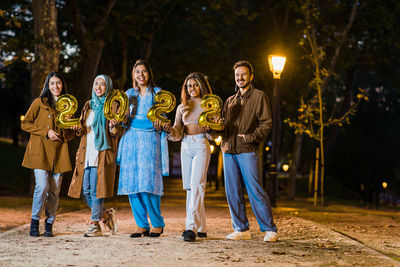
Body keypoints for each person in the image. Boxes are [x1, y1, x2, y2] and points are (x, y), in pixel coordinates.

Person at [221, 61, 277, 242]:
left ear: (251, 76)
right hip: (228, 150)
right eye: (237, 75)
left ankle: (269, 229)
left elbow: (266, 123)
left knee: (255, 190)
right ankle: (241, 229)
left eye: (244, 74)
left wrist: (250, 137)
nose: (240, 78)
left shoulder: (260, 97)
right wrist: (211, 127)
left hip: (248, 150)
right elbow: (222, 128)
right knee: (232, 191)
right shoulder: (230, 101)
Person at [158, 73, 214, 242]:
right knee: (190, 187)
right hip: (185, 145)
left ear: (202, 86)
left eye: (195, 85)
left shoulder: (210, 105)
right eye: (189, 86)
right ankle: (202, 227)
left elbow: (215, 132)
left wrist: (210, 129)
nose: (192, 88)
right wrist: (168, 129)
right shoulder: (182, 107)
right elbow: (176, 132)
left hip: (201, 145)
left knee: (197, 184)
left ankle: (190, 227)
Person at [117, 59, 169, 238]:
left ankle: (157, 223)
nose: (141, 75)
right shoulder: (128, 94)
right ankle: (141, 224)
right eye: (137, 72)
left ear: (149, 74)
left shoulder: (158, 93)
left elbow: (163, 118)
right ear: (133, 75)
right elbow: (124, 119)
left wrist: (160, 123)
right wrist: (119, 120)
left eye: (144, 71)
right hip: (131, 139)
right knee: (133, 183)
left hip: (150, 139)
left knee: (148, 183)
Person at [21, 71, 73, 237]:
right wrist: (46, 132)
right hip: (40, 152)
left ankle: (49, 224)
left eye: (58, 83)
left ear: (62, 84)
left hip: (59, 153)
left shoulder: (68, 105)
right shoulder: (39, 102)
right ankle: (34, 221)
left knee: (55, 191)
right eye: (52, 83)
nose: (55, 86)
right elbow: (26, 124)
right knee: (42, 186)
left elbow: (70, 136)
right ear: (47, 85)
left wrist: (71, 125)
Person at [68, 74, 119, 237]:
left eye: (102, 84)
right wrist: (76, 127)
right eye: (96, 83)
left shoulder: (113, 105)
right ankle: (105, 215)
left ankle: (95, 224)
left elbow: (119, 129)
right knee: (85, 191)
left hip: (102, 153)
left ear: (108, 87)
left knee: (96, 191)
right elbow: (84, 128)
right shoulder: (88, 105)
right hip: (87, 153)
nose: (98, 87)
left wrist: (113, 128)